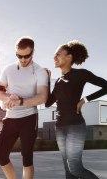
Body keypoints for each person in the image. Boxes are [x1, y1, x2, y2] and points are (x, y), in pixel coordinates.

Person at [45, 40, 107, 179]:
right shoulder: (58, 81)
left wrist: (85, 99)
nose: (54, 57)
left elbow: (106, 86)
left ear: (69, 57)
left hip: (75, 126)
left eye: (58, 54)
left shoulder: (80, 74)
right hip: (60, 128)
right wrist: (48, 81)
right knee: (68, 172)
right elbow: (48, 103)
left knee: (75, 168)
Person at [0, 36, 49, 179]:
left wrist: (20, 101)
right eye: (19, 56)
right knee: (1, 156)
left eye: (27, 56)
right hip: (11, 118)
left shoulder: (40, 72)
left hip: (29, 118)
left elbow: (43, 97)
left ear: (33, 52)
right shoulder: (8, 69)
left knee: (27, 158)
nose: (23, 59)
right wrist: (9, 98)